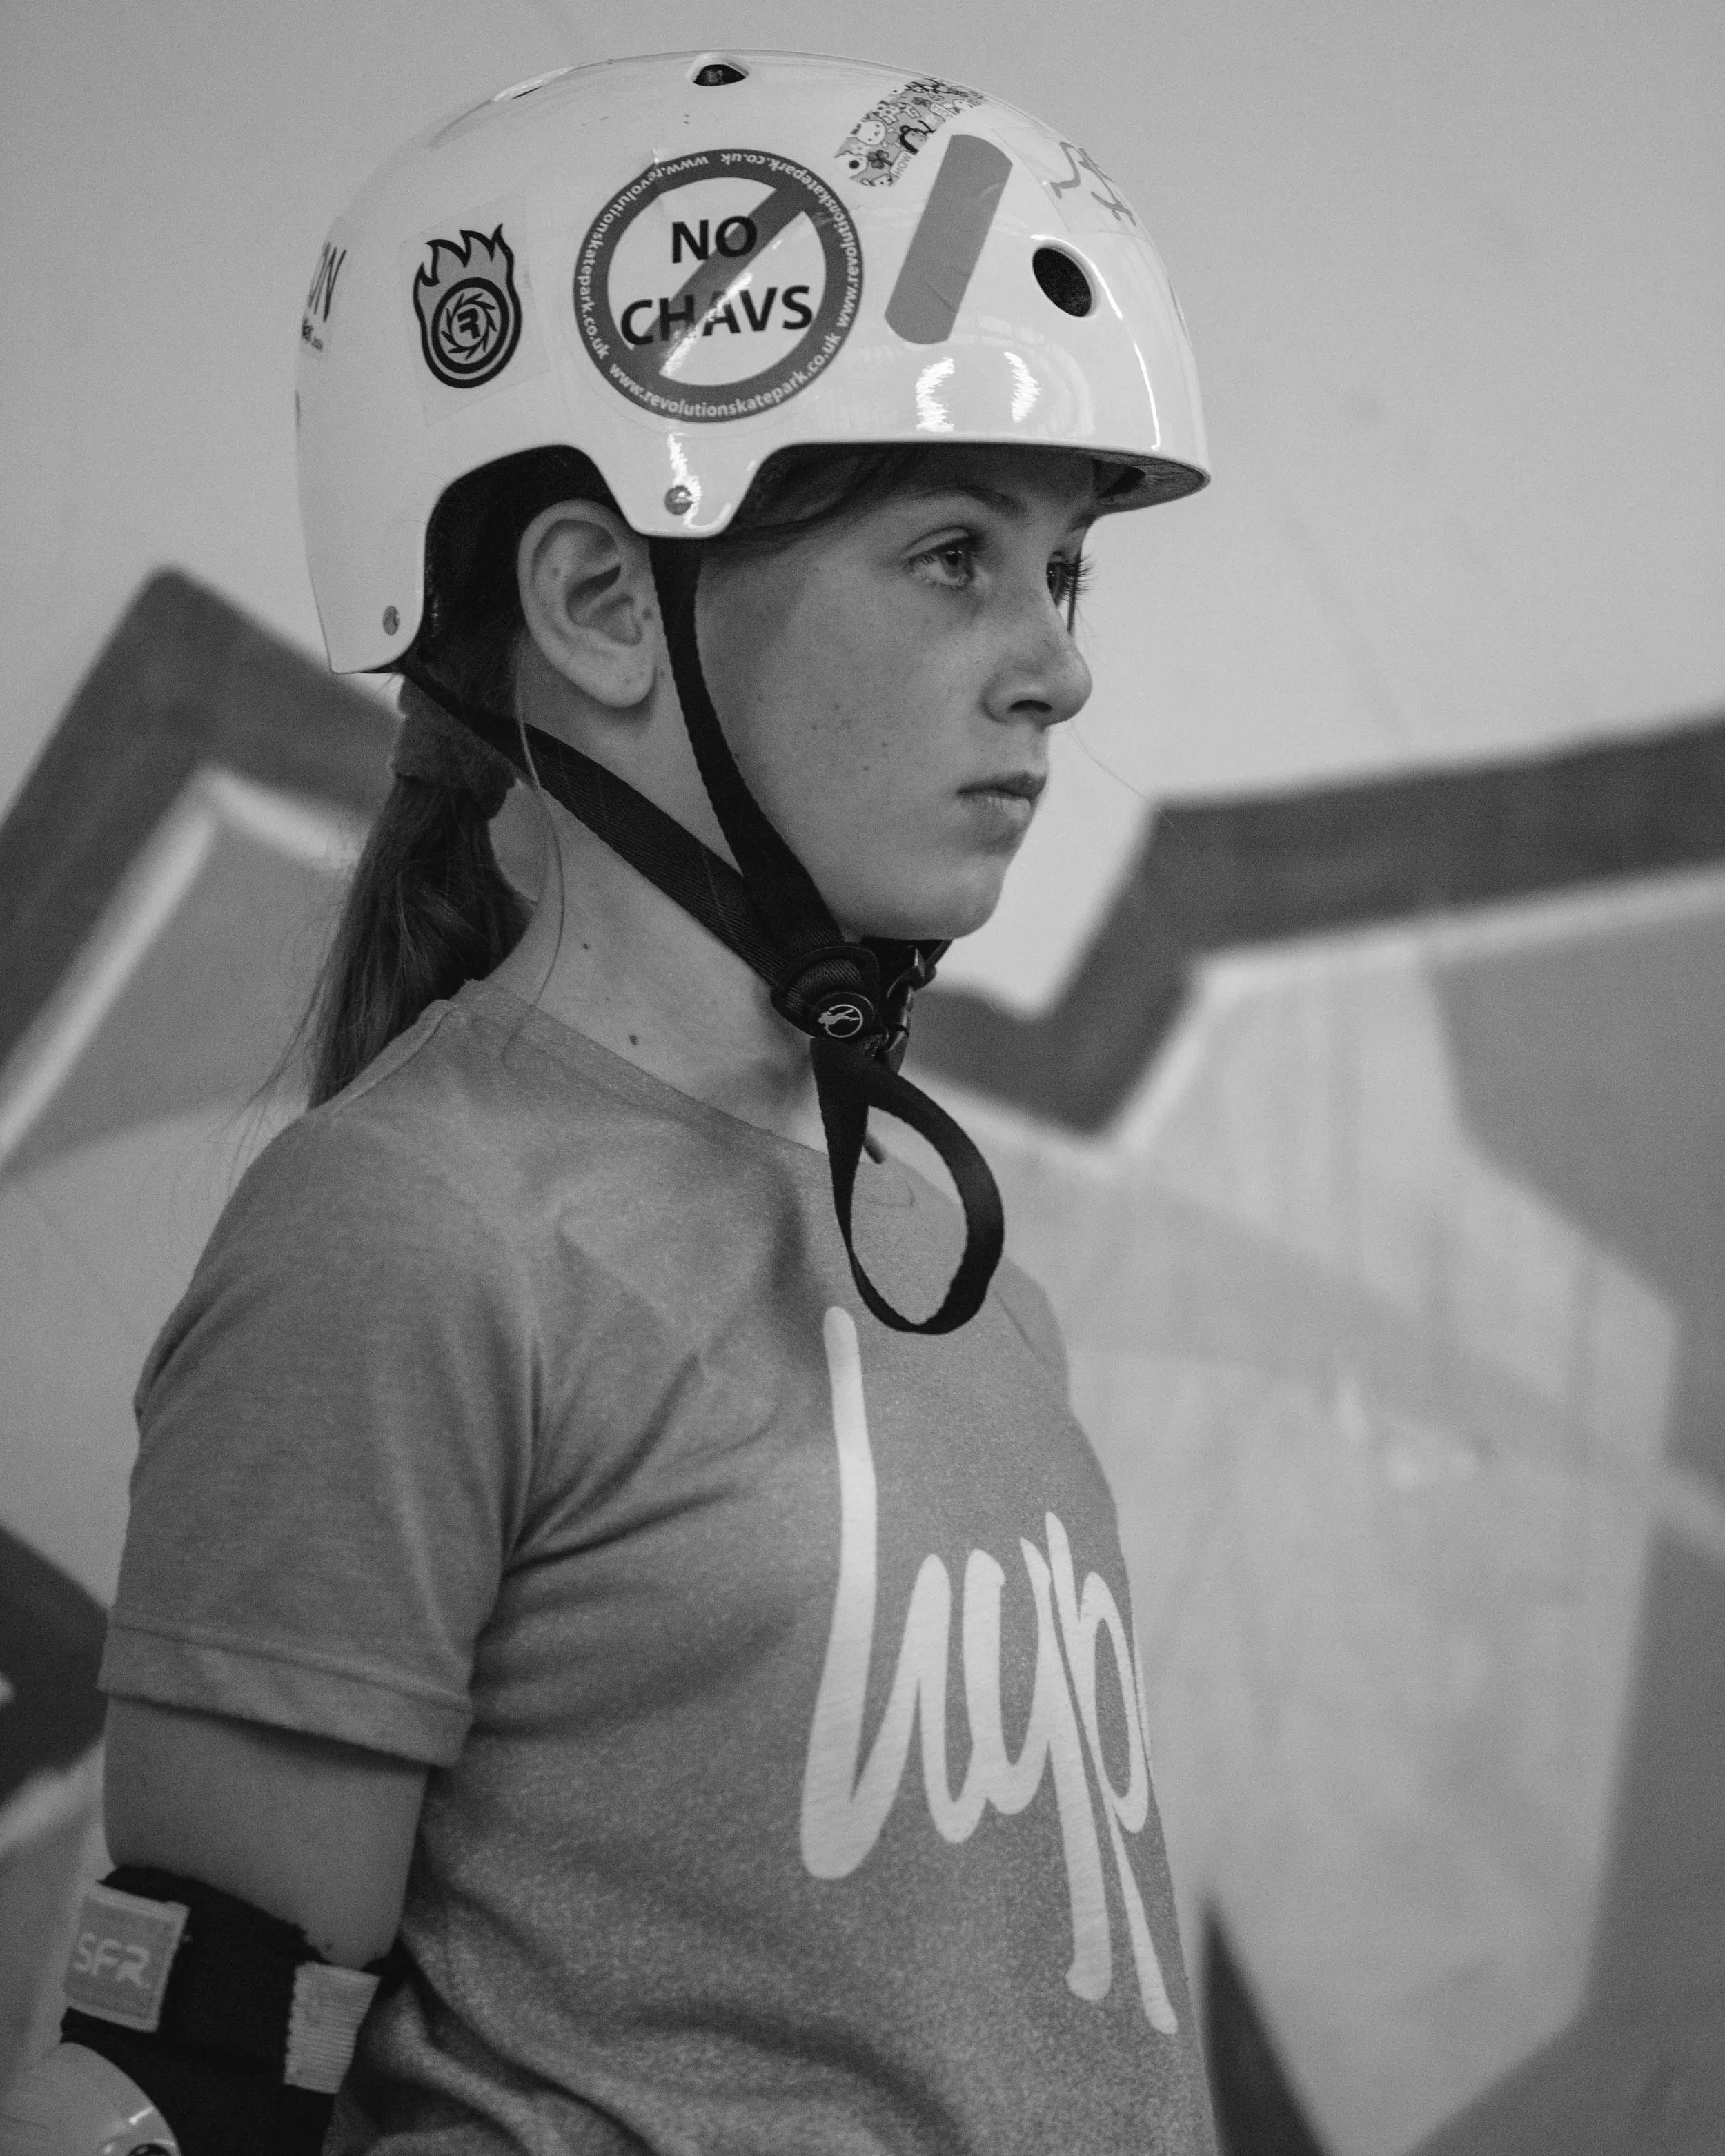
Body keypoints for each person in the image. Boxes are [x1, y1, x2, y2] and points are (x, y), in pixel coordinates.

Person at [10, 49, 1215, 2156]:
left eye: (1062, 572)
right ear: (593, 602)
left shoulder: (935, 1241)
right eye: (950, 554)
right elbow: (173, 2083)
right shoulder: (408, 1233)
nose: (1054, 664)